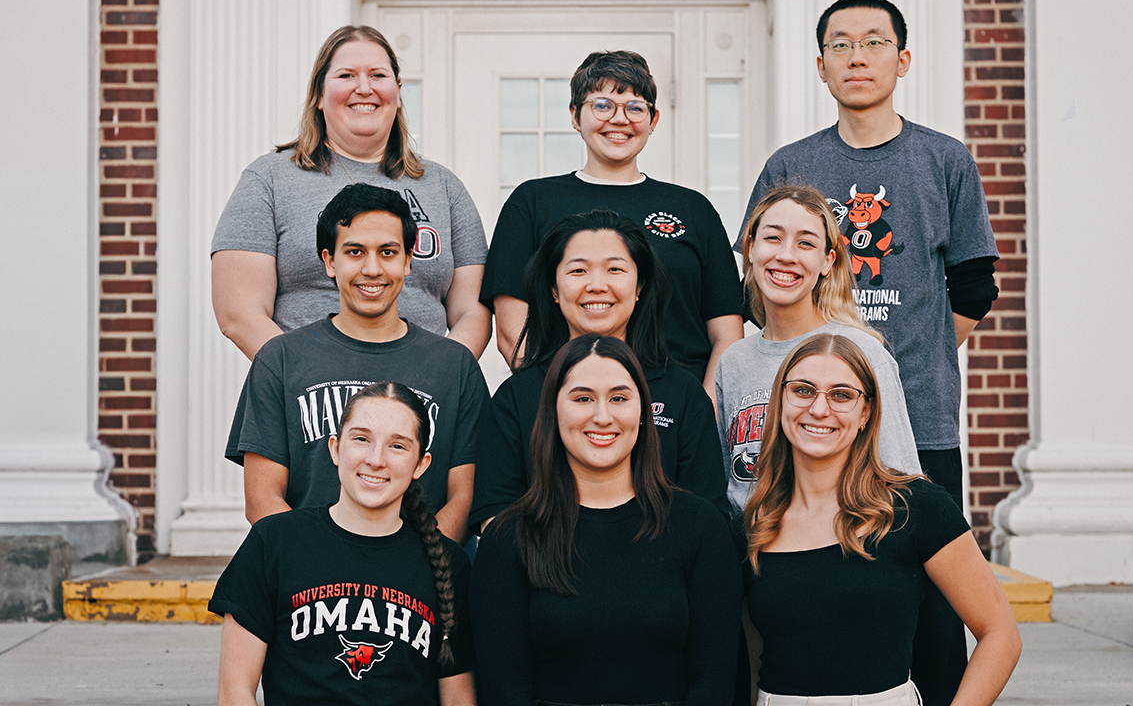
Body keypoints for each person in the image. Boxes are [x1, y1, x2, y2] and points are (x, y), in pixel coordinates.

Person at [738, 0, 999, 705]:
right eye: (842, 44)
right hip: (815, 430)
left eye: (875, 42)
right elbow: (757, 287)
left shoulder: (944, 159)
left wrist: (898, 363)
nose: (858, 56)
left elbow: (975, 287)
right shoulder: (791, 164)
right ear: (819, 66)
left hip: (924, 423)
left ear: (903, 58)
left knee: (937, 618)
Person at [743, 334, 1020, 706]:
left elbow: (1000, 633)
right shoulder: (754, 525)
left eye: (841, 394)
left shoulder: (916, 508)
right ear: (781, 402)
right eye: (803, 390)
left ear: (866, 413)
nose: (819, 409)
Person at [471, 335, 741, 706]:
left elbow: (717, 681)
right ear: (553, 411)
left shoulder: (699, 527)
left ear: (643, 412)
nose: (602, 416)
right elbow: (504, 690)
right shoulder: (510, 536)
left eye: (619, 398)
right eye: (582, 398)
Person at [224, 183, 492, 544]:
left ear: (408, 261)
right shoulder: (281, 359)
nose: (372, 268)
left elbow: (464, 498)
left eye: (387, 251)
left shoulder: (454, 366)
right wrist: (334, 566)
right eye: (354, 251)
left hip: (421, 582)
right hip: (310, 578)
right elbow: (262, 501)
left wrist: (407, 568)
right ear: (329, 261)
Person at [212, 24, 490, 360]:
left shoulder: (444, 188)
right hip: (307, 394)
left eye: (377, 75)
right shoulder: (269, 179)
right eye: (346, 76)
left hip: (419, 397)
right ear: (318, 94)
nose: (364, 88)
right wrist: (312, 377)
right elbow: (239, 314)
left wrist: (438, 377)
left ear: (398, 91)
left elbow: (472, 314)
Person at [481, 50, 743, 395]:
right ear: (575, 115)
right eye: (602, 105)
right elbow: (512, 327)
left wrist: (704, 406)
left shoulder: (693, 208)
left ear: (653, 120)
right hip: (567, 402)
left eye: (635, 108)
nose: (619, 120)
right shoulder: (532, 202)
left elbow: (726, 330)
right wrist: (566, 398)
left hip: (675, 407)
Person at [210, 381, 476, 706]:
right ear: (336, 448)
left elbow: (458, 698)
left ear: (421, 464)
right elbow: (235, 691)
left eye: (398, 446)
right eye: (362, 439)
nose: (376, 459)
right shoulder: (274, 542)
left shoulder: (448, 564)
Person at [470, 209, 728, 529]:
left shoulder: (683, 393)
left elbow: (707, 518)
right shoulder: (515, 398)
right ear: (553, 289)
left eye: (614, 269)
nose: (596, 285)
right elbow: (495, 520)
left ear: (640, 287)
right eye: (578, 271)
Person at [718, 186, 920, 512]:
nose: (786, 255)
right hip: (752, 553)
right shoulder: (734, 362)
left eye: (806, 243)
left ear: (828, 261)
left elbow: (901, 481)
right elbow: (731, 485)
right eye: (773, 238)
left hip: (840, 550)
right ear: (751, 249)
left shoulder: (862, 353)